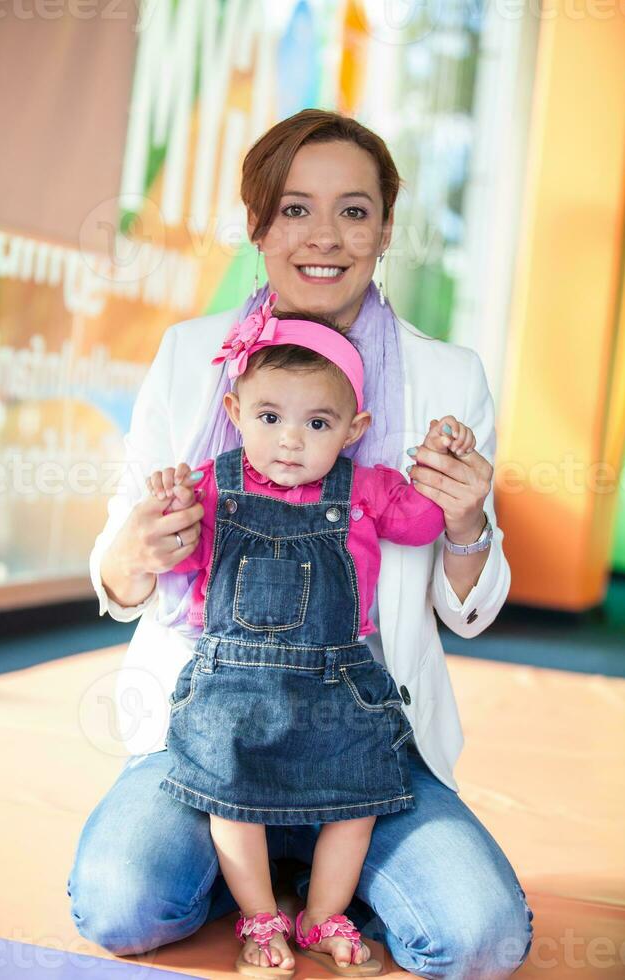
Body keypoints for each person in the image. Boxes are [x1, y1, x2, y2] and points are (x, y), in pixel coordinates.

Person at [68, 109, 534, 979]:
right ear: (256, 226)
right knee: (123, 908)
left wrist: (469, 522)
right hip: (208, 726)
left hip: (368, 732)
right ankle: (262, 870)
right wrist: (138, 547)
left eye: (355, 211)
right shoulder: (190, 357)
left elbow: (464, 613)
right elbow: (117, 571)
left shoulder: (448, 378)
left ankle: (319, 868)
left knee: (478, 941)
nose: (325, 236)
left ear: (387, 228)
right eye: (294, 209)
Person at [145, 296, 460, 976]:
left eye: (317, 422)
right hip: (235, 685)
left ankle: (321, 913)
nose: (291, 439)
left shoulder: (368, 488)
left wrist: (440, 472)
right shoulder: (210, 488)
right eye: (269, 417)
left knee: (359, 796)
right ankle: (260, 917)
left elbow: (424, 525)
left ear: (354, 429)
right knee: (231, 797)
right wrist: (169, 508)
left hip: (336, 688)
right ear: (234, 416)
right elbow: (176, 566)